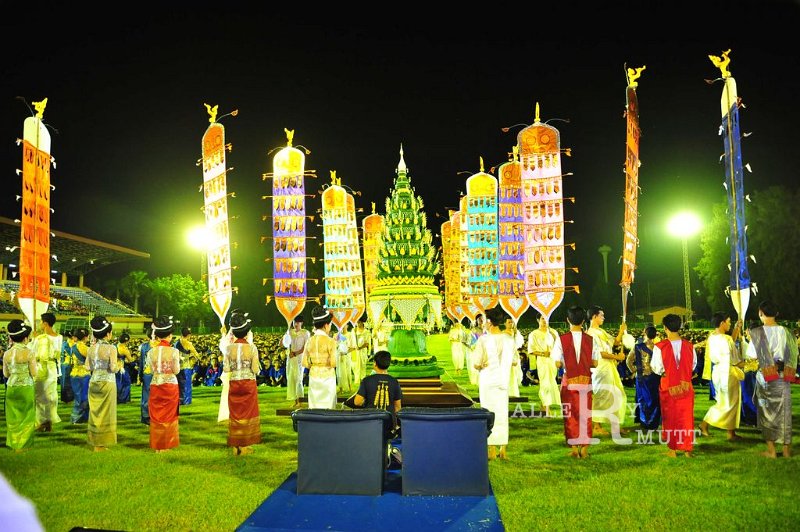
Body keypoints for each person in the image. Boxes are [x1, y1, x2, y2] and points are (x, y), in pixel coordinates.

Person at [745, 300, 797, 459]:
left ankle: (772, 451)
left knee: (766, 412)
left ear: (760, 313)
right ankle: (786, 451)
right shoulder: (787, 332)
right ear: (777, 313)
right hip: (783, 375)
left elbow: (751, 355)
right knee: (784, 412)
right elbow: (793, 354)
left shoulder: (757, 333)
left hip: (765, 376)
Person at [551, 306, 599, 459]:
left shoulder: (561, 339)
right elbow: (595, 363)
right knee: (586, 414)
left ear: (568, 320)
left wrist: (567, 362)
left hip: (569, 381)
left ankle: (573, 448)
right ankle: (584, 449)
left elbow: (557, 363)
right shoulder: (591, 340)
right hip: (585, 380)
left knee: (570, 414)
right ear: (583, 321)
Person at [650, 313, 697, 458]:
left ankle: (673, 449)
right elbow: (693, 365)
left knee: (670, 417)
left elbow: (656, 367)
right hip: (685, 385)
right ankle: (687, 449)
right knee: (686, 417)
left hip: (668, 384)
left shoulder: (660, 347)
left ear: (665, 327)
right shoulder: (689, 346)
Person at [473, 307, 515, 460]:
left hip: (488, 380)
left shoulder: (483, 340)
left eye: (484, 320)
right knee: (502, 412)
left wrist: (481, 365)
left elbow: (476, 363)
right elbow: (514, 361)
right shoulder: (509, 339)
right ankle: (503, 449)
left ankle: (491, 448)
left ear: (489, 322)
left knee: (488, 413)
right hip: (503, 380)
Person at [699, 311, 744, 441]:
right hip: (727, 372)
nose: (729, 324)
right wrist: (749, 364)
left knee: (727, 401)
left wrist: (736, 328)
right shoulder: (725, 339)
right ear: (722, 323)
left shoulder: (712, 337)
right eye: (728, 322)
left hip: (718, 371)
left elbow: (729, 344)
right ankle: (705, 424)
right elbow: (735, 358)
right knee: (729, 403)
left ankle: (730, 432)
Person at [223, 311, 262, 456]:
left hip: (234, 382)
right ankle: (245, 446)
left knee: (235, 414)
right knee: (248, 413)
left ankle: (235, 446)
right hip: (248, 383)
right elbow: (255, 369)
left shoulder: (228, 348)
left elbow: (226, 369)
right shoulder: (252, 348)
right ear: (246, 332)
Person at [585, 306, 627, 436]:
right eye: (601, 315)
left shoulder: (601, 331)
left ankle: (615, 425)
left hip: (609, 366)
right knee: (602, 394)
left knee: (617, 394)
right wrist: (617, 357)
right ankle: (597, 425)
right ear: (594, 317)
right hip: (601, 367)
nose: (603, 318)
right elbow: (600, 353)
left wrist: (621, 331)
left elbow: (615, 343)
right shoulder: (591, 333)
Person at [146, 316, 181, 453]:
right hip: (170, 385)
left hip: (155, 384)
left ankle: (158, 445)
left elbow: (151, 370)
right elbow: (176, 370)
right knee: (169, 415)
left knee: (157, 415)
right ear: (170, 335)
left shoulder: (151, 352)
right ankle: (166, 444)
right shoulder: (174, 351)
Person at [3, 320, 37, 452]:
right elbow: (34, 373)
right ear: (25, 338)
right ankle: (23, 445)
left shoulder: (7, 354)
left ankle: (14, 442)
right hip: (26, 386)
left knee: (13, 416)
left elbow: (6, 374)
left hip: (11, 386)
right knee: (27, 416)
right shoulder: (29, 353)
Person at [86, 316, 118, 452]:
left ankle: (95, 443)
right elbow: (113, 368)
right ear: (108, 333)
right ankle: (102, 444)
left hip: (94, 381)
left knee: (95, 412)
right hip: (107, 382)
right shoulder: (111, 348)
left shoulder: (91, 349)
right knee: (106, 413)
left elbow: (88, 367)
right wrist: (119, 366)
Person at [625, 324, 661, 431]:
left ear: (645, 333)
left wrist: (634, 370)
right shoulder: (659, 348)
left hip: (641, 377)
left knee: (642, 399)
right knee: (654, 400)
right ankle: (653, 423)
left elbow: (628, 360)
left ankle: (644, 422)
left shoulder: (638, 346)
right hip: (655, 377)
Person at [31, 312, 62, 432]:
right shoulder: (59, 337)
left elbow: (32, 352)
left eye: (41, 321)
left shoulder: (39, 338)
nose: (40, 324)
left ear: (45, 323)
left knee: (39, 394)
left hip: (41, 367)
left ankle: (42, 422)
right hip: (52, 367)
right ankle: (48, 421)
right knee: (51, 395)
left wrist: (33, 339)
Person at [302, 306, 338, 409]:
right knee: (328, 406)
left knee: (315, 406)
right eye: (330, 325)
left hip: (314, 376)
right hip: (327, 376)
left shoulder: (309, 340)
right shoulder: (330, 341)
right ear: (326, 325)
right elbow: (333, 363)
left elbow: (304, 363)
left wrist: (314, 365)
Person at [527, 314, 561, 415]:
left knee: (551, 383)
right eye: (542, 318)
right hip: (542, 361)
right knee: (545, 383)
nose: (545, 321)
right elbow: (531, 350)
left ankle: (544, 405)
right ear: (538, 320)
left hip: (552, 361)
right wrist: (543, 354)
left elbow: (559, 347)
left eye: (546, 318)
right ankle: (546, 409)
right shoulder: (534, 334)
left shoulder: (553, 332)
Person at [283, 315, 310, 408]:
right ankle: (295, 400)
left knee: (298, 379)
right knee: (291, 378)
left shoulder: (305, 333)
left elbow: (306, 347)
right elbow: (284, 344)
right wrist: (285, 335)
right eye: (294, 322)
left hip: (299, 358)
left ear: (301, 323)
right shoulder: (290, 332)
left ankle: (300, 401)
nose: (296, 324)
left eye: (298, 322)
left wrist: (295, 353)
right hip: (291, 358)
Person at [69, 327, 91, 424]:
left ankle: (80, 417)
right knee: (83, 397)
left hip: (74, 373)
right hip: (83, 374)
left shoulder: (73, 346)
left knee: (78, 397)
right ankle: (77, 418)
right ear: (85, 337)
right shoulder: (83, 347)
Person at [175, 327, 199, 405]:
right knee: (187, 384)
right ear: (188, 335)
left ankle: (180, 400)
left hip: (178, 366)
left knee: (180, 384)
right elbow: (196, 354)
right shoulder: (189, 344)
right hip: (186, 366)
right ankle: (187, 401)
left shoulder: (176, 343)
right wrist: (195, 357)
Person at [139, 332, 157, 425]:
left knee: (146, 395)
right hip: (154, 373)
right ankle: (149, 416)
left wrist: (140, 375)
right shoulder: (158, 346)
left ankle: (145, 416)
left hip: (146, 373)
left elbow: (141, 362)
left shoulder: (144, 346)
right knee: (152, 395)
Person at [505, 317, 524, 398]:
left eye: (512, 322)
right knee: (508, 374)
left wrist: (516, 334)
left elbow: (519, 344)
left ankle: (514, 392)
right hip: (507, 355)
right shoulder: (503, 334)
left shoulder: (516, 333)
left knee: (515, 373)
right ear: (505, 323)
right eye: (509, 322)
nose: (511, 324)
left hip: (514, 354)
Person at [351, 316, 371, 385]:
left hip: (363, 351)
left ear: (362, 323)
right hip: (355, 351)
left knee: (363, 365)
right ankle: (356, 380)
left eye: (359, 322)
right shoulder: (354, 330)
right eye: (357, 322)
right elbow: (351, 341)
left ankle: (363, 380)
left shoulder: (366, 332)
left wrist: (360, 347)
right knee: (354, 365)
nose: (358, 324)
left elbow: (367, 343)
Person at [336, 323, 353, 394]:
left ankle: (349, 387)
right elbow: (336, 345)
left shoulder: (350, 334)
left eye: (344, 325)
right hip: (339, 356)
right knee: (339, 372)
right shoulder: (338, 335)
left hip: (347, 356)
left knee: (347, 371)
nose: (343, 327)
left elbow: (353, 347)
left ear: (347, 326)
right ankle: (340, 388)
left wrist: (345, 352)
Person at [115, 332, 132, 404]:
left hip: (113, 368)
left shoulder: (114, 346)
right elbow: (130, 360)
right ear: (126, 341)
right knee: (126, 383)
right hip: (121, 368)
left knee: (117, 383)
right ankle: (123, 399)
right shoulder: (124, 349)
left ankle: (116, 398)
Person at [59, 329, 75, 403]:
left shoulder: (64, 343)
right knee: (67, 382)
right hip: (68, 364)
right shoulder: (69, 344)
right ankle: (68, 398)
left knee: (64, 381)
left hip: (64, 364)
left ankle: (65, 398)